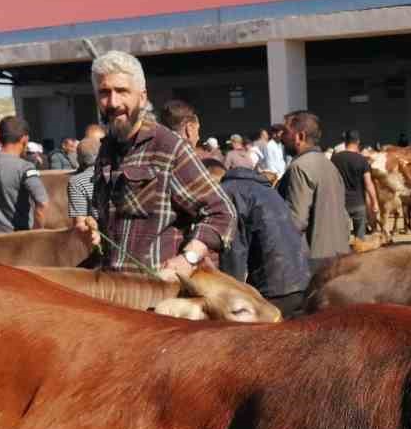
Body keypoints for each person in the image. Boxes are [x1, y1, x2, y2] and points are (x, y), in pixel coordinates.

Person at [87, 50, 233, 275]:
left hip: (158, 296)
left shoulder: (167, 147)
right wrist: (94, 228)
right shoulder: (106, 149)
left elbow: (222, 213)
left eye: (122, 91)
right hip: (116, 293)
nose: (113, 102)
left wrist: (188, 259)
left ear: (142, 97)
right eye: (104, 92)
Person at [206, 158, 311, 316]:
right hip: (301, 280)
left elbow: (235, 252)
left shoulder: (229, 192)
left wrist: (230, 295)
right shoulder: (266, 190)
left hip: (273, 286)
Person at [276, 108, 349, 267]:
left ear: (299, 136)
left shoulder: (299, 167)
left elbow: (296, 222)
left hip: (314, 262)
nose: (281, 136)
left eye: (285, 132)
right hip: (340, 257)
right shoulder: (329, 166)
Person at [331, 131, 377, 238]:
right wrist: (374, 202)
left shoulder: (335, 159)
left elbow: (331, 181)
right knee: (360, 240)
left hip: (341, 204)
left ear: (345, 141)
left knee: (342, 240)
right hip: (359, 204)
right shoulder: (362, 160)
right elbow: (368, 183)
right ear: (358, 142)